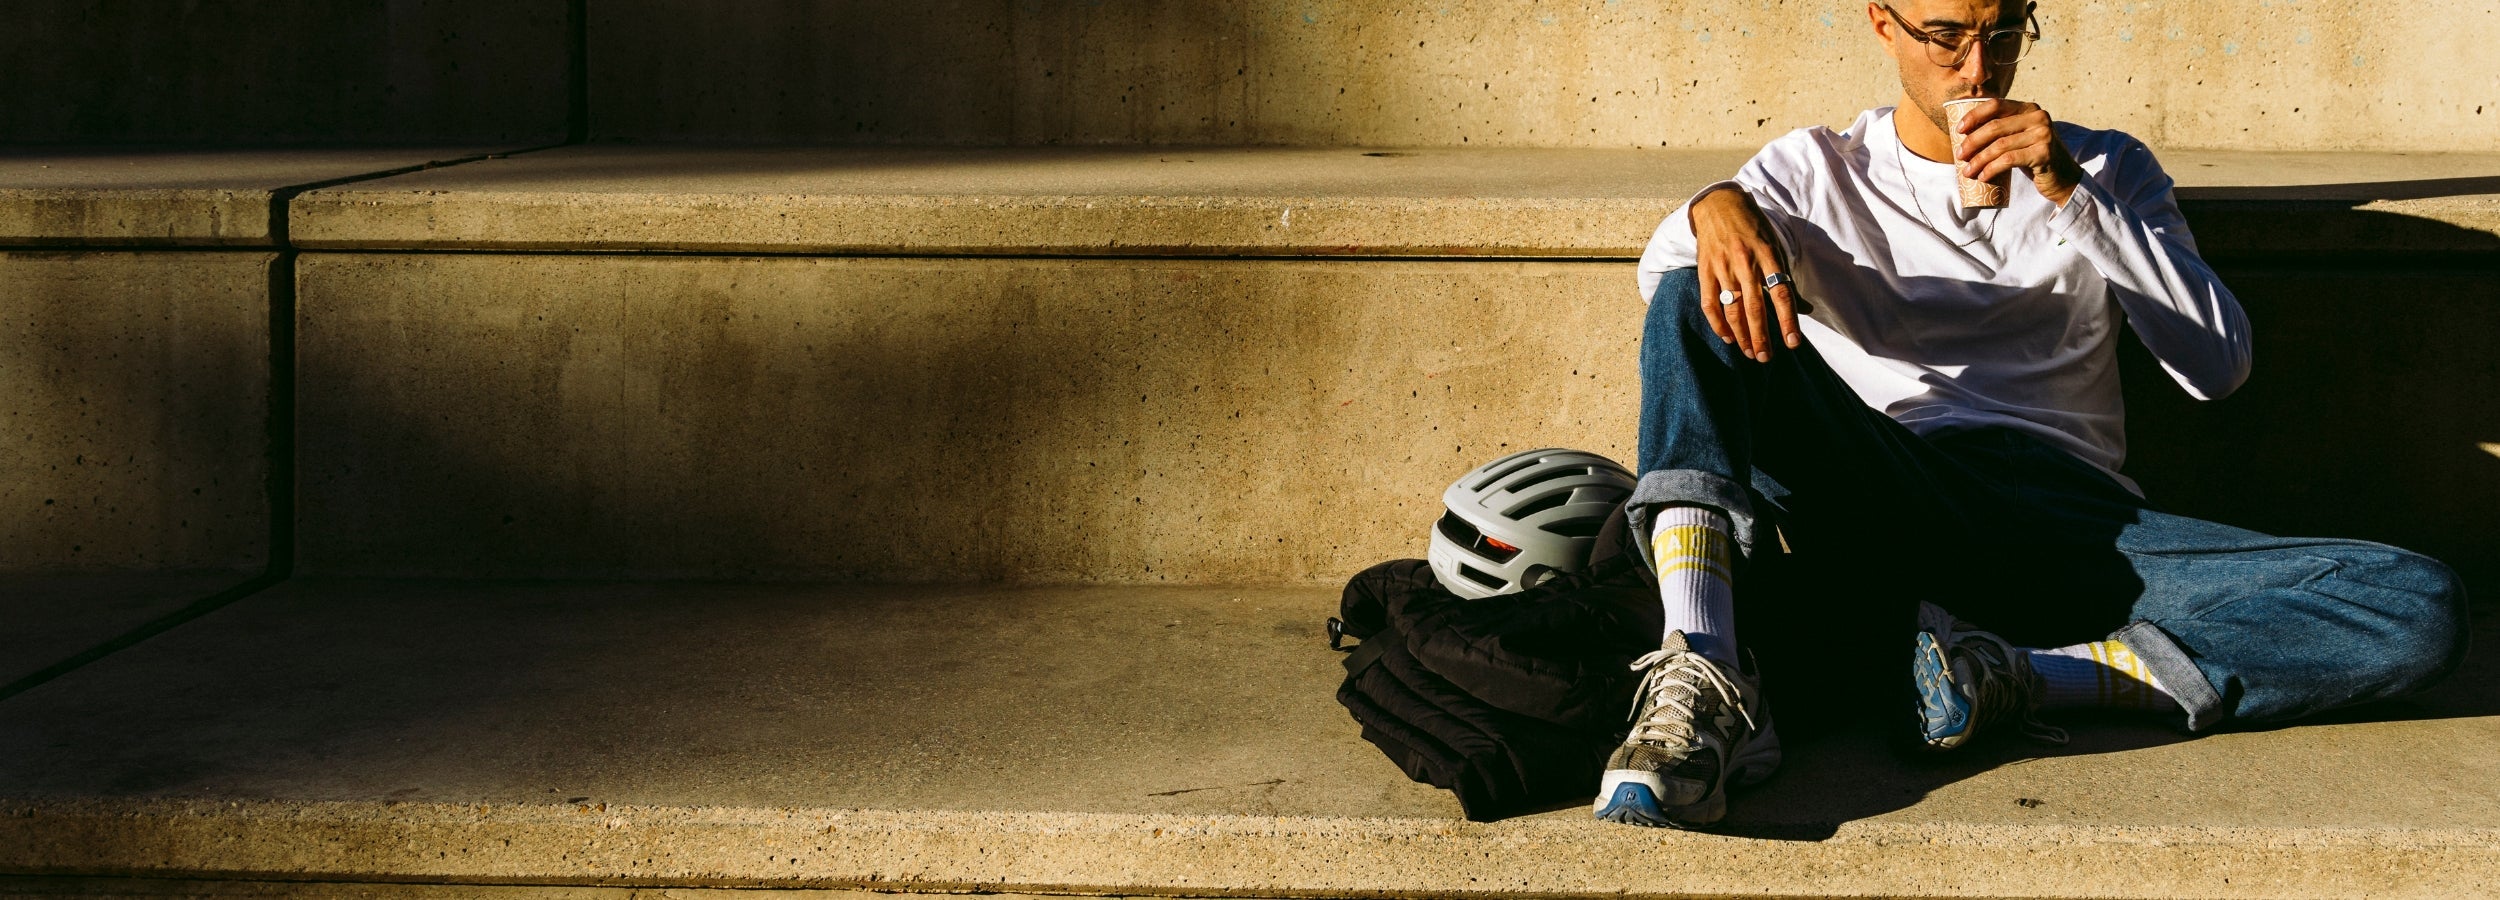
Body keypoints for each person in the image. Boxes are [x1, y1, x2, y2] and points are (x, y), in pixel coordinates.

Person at [1592, 0, 2471, 829]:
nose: (1978, 68)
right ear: (1882, 24)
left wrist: (2070, 195)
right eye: (1946, 35)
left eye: (2006, 32)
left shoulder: (2107, 166)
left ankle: (2014, 678)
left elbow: (2219, 366)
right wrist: (1715, 208)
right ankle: (1704, 669)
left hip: (2074, 532)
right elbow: (1674, 310)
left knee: (2415, 604)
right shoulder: (1818, 170)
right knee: (1694, 289)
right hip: (1887, 488)